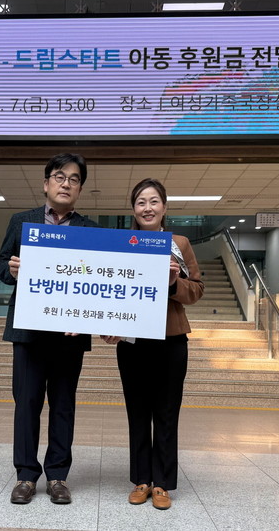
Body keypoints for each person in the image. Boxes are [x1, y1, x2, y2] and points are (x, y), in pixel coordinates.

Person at [0, 153, 98, 505]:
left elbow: (97, 279)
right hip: (28, 331)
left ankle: (57, 476)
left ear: (80, 189)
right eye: (59, 177)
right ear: (46, 184)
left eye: (74, 179)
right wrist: (11, 269)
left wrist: (88, 318)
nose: (66, 183)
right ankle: (26, 475)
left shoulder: (90, 229)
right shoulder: (22, 222)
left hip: (70, 334)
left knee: (63, 405)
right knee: (26, 404)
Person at [102, 178, 204, 510]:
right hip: (132, 342)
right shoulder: (122, 244)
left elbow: (197, 289)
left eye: (154, 201)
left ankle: (162, 483)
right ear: (133, 209)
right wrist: (108, 325)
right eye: (141, 202)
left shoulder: (178, 244)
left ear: (164, 207)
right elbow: (110, 289)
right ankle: (141, 480)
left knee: (166, 414)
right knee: (137, 413)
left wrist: (174, 283)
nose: (147, 208)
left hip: (171, 340)